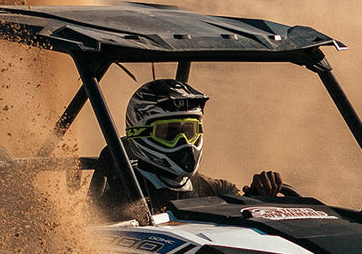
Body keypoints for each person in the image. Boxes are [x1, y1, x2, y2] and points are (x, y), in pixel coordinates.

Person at [89, 78, 285, 217]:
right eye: (169, 133)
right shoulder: (119, 198)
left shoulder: (215, 190)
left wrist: (260, 200)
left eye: (189, 132)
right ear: (140, 134)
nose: (184, 143)